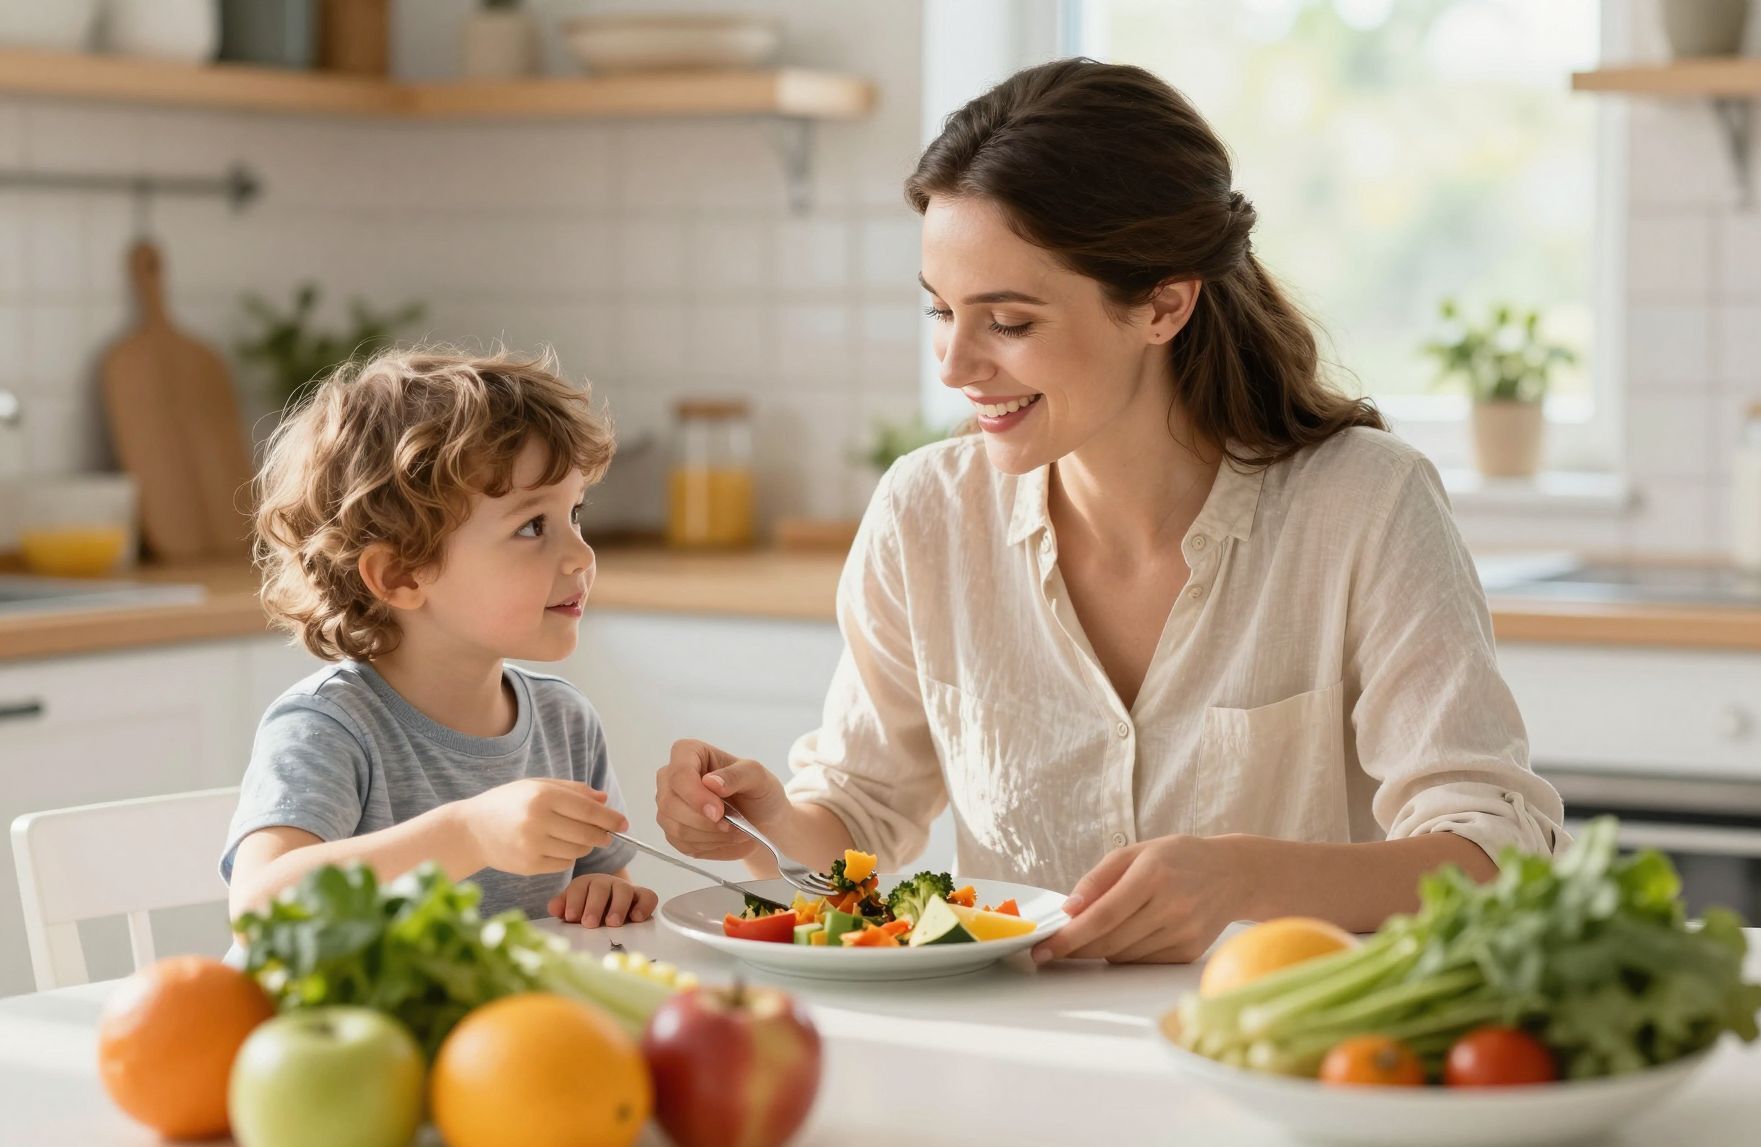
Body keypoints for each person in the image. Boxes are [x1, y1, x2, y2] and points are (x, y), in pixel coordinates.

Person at [654, 59, 1566, 964]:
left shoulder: (1365, 504)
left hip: (1279, 1054)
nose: (955, 365)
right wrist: (768, 824)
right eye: (940, 311)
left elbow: (1496, 852)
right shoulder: (925, 514)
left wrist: (1246, 878)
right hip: (1024, 1055)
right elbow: (861, 817)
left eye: (1008, 323)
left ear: (1164, 304)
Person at [220, 348, 656, 929]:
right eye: (532, 527)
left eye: (575, 514)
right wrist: (464, 834)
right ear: (401, 575)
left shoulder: (564, 722)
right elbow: (261, 903)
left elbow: (603, 888)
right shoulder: (329, 727)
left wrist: (605, 892)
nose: (581, 555)